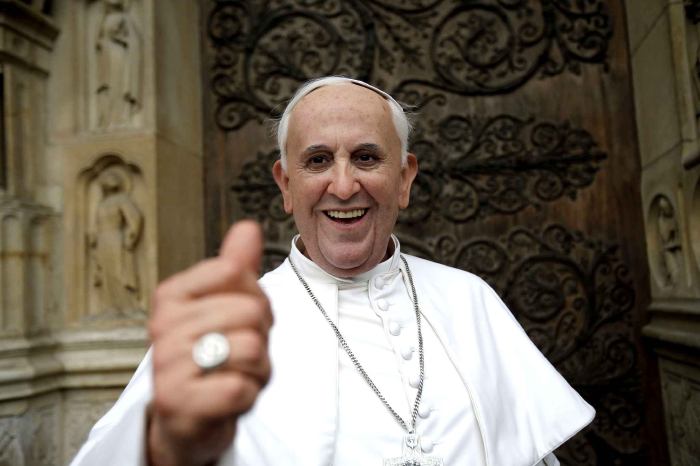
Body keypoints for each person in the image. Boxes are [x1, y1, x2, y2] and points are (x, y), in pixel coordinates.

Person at [70, 77, 594, 466]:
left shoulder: (468, 298)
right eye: (318, 161)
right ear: (286, 184)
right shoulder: (228, 322)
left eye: (366, 157)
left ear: (405, 178)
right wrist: (167, 447)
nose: (343, 187)